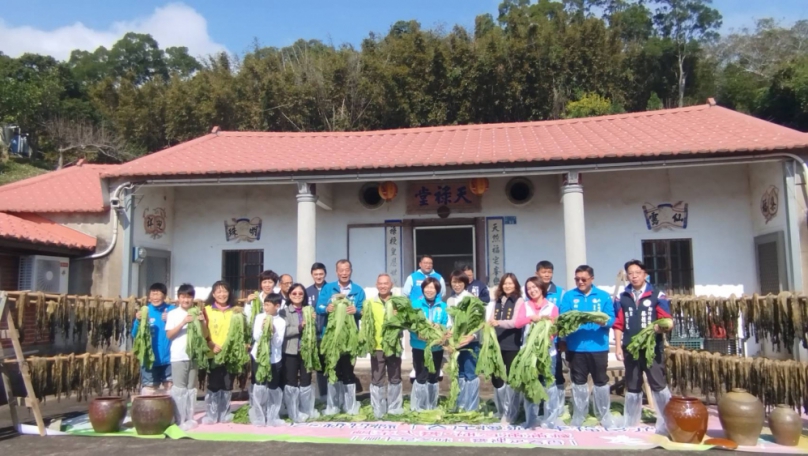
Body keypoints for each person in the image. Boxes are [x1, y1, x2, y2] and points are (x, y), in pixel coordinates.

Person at [613, 260, 673, 434]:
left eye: (637, 272)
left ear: (645, 274)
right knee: (632, 385)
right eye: (630, 273)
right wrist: (618, 347)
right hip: (630, 347)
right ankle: (631, 423)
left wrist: (660, 327)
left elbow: (667, 321)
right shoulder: (622, 296)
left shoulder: (657, 294)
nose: (634, 276)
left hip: (652, 347)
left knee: (658, 384)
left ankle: (667, 423)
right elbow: (618, 324)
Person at [559, 265, 617, 429]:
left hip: (598, 346)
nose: (580, 282)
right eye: (577, 279)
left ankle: (603, 414)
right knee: (578, 382)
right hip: (576, 347)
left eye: (584, 279)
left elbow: (613, 319)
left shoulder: (603, 296)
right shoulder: (569, 296)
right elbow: (563, 318)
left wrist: (603, 321)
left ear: (592, 278)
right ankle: (579, 414)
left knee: (600, 381)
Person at [316, 259, 366, 415]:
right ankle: (333, 405)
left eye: (347, 270)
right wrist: (327, 308)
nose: (344, 273)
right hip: (332, 338)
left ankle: (350, 406)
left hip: (349, 338)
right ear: (336, 272)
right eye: (341, 270)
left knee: (348, 371)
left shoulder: (358, 290)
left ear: (351, 270)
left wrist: (356, 311)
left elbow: (363, 310)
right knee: (333, 371)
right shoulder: (328, 288)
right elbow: (319, 306)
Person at [514, 278, 560, 429]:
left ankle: (550, 419)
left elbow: (556, 328)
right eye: (529, 288)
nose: (532, 290)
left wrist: (546, 333)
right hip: (528, 352)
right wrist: (530, 318)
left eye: (535, 287)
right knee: (530, 385)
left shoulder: (552, 307)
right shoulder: (525, 306)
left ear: (541, 288)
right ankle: (531, 420)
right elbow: (518, 322)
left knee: (549, 384)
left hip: (548, 352)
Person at [166, 284, 206, 430]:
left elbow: (205, 334)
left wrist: (201, 322)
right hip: (179, 355)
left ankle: (189, 418)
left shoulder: (197, 312)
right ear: (178, 298)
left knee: (190, 388)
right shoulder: (173, 314)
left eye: (189, 297)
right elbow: (169, 335)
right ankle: (179, 419)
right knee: (179, 388)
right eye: (183, 297)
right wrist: (183, 322)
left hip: (193, 356)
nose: (186, 300)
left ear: (193, 298)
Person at [201, 280, 241, 424]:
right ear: (213, 294)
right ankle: (211, 415)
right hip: (213, 353)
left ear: (229, 293)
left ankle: (224, 414)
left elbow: (240, 331)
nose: (222, 294)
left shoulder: (235, 310)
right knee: (214, 383)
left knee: (227, 383)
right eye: (219, 292)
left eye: (225, 291)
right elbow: (201, 331)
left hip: (231, 354)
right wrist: (211, 344)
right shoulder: (206, 310)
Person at [487, 273, 525, 423]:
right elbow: (491, 318)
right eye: (505, 283)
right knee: (496, 378)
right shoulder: (497, 300)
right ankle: (501, 408)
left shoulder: (519, 301)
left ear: (515, 285)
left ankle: (511, 412)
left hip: (512, 344)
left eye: (510, 283)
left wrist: (498, 323)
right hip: (496, 344)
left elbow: (516, 322)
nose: (507, 286)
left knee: (511, 379)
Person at [365, 273, 404, 418]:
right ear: (376, 285)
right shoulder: (370, 302)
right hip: (377, 346)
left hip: (394, 345)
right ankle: (378, 409)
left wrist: (398, 316)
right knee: (377, 377)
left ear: (391, 285)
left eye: (385, 283)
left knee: (395, 376)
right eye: (380, 283)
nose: (383, 286)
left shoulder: (398, 302)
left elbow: (407, 322)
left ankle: (394, 408)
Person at [280, 283, 319, 422]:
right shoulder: (284, 312)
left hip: (306, 351)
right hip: (290, 351)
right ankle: (292, 410)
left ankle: (305, 409)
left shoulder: (308, 310)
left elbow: (314, 330)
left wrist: (313, 322)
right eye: (294, 293)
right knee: (290, 381)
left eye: (300, 294)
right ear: (289, 295)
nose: (297, 296)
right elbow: (283, 331)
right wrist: (299, 326)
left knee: (306, 380)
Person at [534, 260, 566, 422]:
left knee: (555, 374)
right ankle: (539, 407)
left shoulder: (560, 293)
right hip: (535, 343)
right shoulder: (532, 291)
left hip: (554, 342)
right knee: (538, 374)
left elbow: (563, 318)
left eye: (549, 272)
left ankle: (556, 408)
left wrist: (562, 339)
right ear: (537, 273)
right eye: (543, 272)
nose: (546, 274)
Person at [409, 277, 448, 411]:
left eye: (433, 288)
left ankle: (431, 405)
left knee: (433, 376)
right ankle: (418, 407)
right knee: (421, 375)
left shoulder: (443, 306)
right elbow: (410, 324)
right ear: (423, 288)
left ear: (437, 290)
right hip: (419, 346)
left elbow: (446, 324)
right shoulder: (415, 305)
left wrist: (441, 329)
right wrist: (417, 334)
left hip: (436, 347)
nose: (429, 290)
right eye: (427, 287)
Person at [132, 282, 176, 395]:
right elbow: (134, 334)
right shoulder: (145, 311)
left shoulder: (172, 310)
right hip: (149, 360)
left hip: (170, 359)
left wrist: (171, 320)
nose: (155, 297)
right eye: (153, 294)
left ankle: (172, 412)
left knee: (170, 389)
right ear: (149, 297)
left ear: (165, 296)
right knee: (149, 389)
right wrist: (137, 321)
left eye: (158, 294)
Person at [248, 293, 286, 426]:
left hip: (274, 358)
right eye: (265, 304)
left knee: (273, 386)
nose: (266, 307)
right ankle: (259, 416)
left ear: (277, 306)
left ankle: (272, 416)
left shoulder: (281, 321)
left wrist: (273, 330)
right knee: (259, 385)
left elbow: (278, 343)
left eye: (268, 305)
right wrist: (263, 329)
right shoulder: (259, 317)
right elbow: (256, 337)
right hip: (259, 356)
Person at [446, 270, 481, 412]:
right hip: (456, 343)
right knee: (459, 373)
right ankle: (460, 405)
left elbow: (479, 321)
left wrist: (472, 336)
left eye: (460, 282)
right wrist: (449, 335)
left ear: (465, 283)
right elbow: (450, 322)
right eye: (454, 282)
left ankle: (471, 407)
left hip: (470, 342)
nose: (457, 285)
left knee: (470, 373)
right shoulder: (450, 300)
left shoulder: (472, 299)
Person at [306, 262, 329, 401]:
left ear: (325, 274)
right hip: (313, 335)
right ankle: (322, 396)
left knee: (331, 366)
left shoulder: (331, 289)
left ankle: (332, 397)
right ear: (312, 275)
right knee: (319, 367)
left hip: (328, 335)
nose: (318, 277)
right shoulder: (307, 292)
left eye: (321, 274)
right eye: (316, 274)